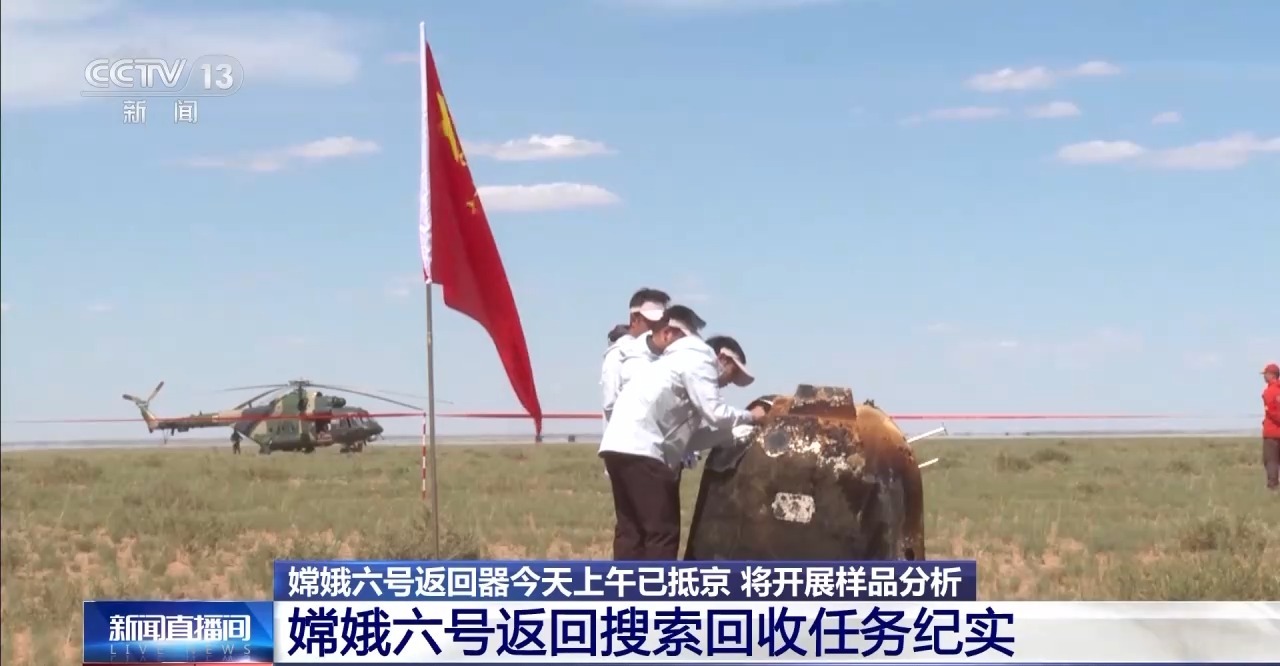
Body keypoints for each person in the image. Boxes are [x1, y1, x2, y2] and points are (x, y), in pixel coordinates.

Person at [598, 305, 766, 560]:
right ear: (723, 359)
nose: (727, 383)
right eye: (731, 375)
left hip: (617, 446)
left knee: (631, 531)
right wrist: (751, 417)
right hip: (644, 449)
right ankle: (658, 585)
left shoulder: (671, 364)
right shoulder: (699, 358)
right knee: (662, 532)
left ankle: (626, 583)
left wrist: (734, 432)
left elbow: (692, 440)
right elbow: (715, 413)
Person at [600, 288, 671, 424]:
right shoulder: (617, 356)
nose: (660, 328)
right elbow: (610, 406)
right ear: (634, 319)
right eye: (653, 322)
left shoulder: (663, 355)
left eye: (664, 322)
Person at [1261, 362, 1280, 491]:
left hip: (1272, 433)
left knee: (1271, 461)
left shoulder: (1269, 392)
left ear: (1272, 375)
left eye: (1266, 374)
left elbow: (1272, 412)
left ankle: (1273, 488)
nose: (1264, 376)